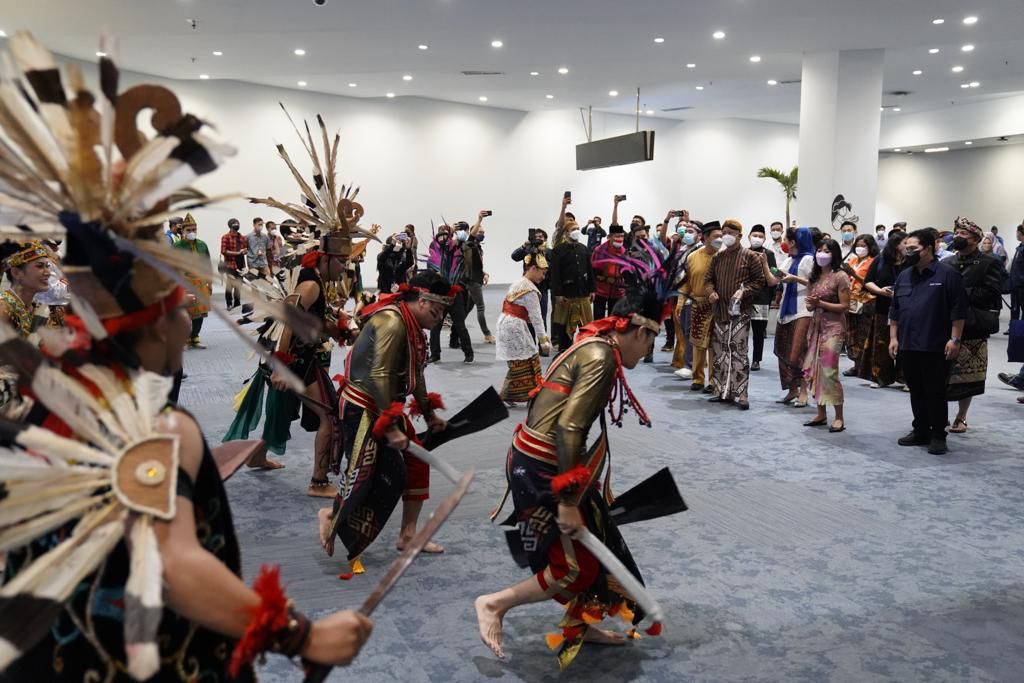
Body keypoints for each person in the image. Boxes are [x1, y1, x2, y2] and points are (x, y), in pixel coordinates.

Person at [0, 48, 373, 679]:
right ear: (153, 323)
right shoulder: (154, 428)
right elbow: (173, 564)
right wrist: (301, 635)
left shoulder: (51, 398)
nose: (189, 319)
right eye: (182, 306)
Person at [476, 288, 664, 669]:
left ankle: (583, 622)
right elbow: (570, 427)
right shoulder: (600, 356)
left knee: (598, 544)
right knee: (573, 568)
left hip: (547, 460)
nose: (647, 353)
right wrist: (566, 500)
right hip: (545, 467)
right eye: (652, 341)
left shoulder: (594, 344)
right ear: (640, 332)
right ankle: (494, 603)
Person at [321, 270, 455, 564]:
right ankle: (330, 515)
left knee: (418, 461)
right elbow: (379, 375)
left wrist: (429, 414)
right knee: (381, 474)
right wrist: (391, 426)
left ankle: (408, 535)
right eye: (439, 308)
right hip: (364, 406)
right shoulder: (393, 321)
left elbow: (416, 373)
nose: (441, 314)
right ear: (422, 300)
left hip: (385, 404)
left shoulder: (412, 325)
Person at [889, 229, 968, 455]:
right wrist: (893, 338)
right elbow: (895, 311)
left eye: (913, 249)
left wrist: (955, 339)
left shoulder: (947, 275)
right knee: (915, 389)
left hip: (935, 344)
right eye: (906, 249)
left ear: (929, 249)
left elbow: (958, 311)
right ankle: (920, 429)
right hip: (907, 343)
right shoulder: (904, 275)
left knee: (934, 391)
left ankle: (938, 435)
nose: (908, 252)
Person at [945, 218, 1004, 434]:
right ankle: (939, 413)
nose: (958, 236)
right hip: (944, 324)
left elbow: (991, 294)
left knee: (968, 375)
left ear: (976, 239)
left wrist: (959, 293)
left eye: (963, 234)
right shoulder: (946, 262)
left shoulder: (989, 262)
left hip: (973, 325)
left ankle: (961, 416)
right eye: (956, 233)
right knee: (941, 372)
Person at [705, 219, 765, 409]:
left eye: (731, 232)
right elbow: (708, 280)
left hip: (741, 313)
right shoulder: (718, 257)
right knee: (720, 352)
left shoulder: (750, 256)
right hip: (720, 311)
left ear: (740, 235)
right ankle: (722, 391)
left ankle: (742, 394)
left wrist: (744, 291)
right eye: (724, 232)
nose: (726, 236)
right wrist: (711, 292)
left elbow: (760, 282)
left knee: (738, 352)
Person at [802, 238, 851, 432]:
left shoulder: (840, 276)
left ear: (834, 254)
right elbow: (808, 304)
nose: (822, 254)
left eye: (827, 251)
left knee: (829, 371)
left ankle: (839, 417)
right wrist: (812, 303)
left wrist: (821, 304)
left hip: (834, 328)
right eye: (819, 250)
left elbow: (845, 306)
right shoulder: (813, 276)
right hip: (816, 327)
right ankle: (821, 413)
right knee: (814, 369)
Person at [496, 249, 551, 405]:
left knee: (519, 362)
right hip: (515, 326)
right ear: (533, 269)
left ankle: (513, 394)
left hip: (507, 323)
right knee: (527, 361)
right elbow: (536, 317)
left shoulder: (518, 282)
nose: (543, 276)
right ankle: (519, 394)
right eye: (542, 272)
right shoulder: (530, 290)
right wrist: (543, 340)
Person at [774, 227, 816, 405]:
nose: (784, 243)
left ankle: (804, 391)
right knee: (782, 349)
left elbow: (816, 283)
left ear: (794, 242)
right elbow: (776, 279)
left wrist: (795, 279)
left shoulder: (808, 259)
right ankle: (792, 389)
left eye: (787, 240)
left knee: (799, 352)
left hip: (802, 308)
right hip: (785, 307)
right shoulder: (788, 259)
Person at [860, 231, 907, 388]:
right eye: (905, 243)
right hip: (882, 307)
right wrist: (880, 291)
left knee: (905, 343)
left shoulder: (912, 261)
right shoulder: (880, 260)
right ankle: (880, 376)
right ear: (895, 244)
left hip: (907, 309)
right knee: (881, 342)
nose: (908, 246)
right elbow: (868, 282)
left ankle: (906, 378)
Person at [680, 221, 721, 391]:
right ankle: (697, 378)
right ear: (705, 238)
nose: (720, 239)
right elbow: (686, 282)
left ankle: (712, 381)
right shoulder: (692, 256)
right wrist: (681, 301)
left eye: (721, 236)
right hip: (697, 304)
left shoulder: (723, 256)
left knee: (713, 344)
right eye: (716, 236)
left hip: (716, 306)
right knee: (696, 342)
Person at [427, 222, 474, 363]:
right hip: (439, 297)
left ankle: (468, 353)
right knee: (435, 326)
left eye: (445, 237)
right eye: (440, 238)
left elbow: (465, 271)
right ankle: (435, 354)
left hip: (455, 295)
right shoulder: (433, 258)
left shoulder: (458, 254)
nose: (443, 240)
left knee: (460, 326)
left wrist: (460, 285)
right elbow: (429, 274)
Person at [549, 220, 595, 351]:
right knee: (564, 329)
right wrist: (558, 294)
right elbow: (555, 274)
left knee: (587, 327)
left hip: (583, 294)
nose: (577, 231)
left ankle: (586, 352)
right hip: (566, 296)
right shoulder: (558, 251)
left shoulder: (583, 248)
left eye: (578, 228)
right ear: (566, 233)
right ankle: (565, 351)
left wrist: (592, 289)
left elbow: (590, 271)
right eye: (573, 229)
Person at [173, 213, 213, 349]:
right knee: (184, 313)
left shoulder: (202, 245)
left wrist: (210, 282)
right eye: (188, 230)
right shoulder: (177, 246)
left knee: (200, 314)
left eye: (194, 230)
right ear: (183, 231)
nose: (192, 232)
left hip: (201, 283)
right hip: (183, 282)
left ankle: (195, 337)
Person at [841, 234, 879, 377]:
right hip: (850, 301)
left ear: (870, 247)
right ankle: (856, 365)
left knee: (864, 334)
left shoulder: (874, 262)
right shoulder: (852, 260)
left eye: (863, 246)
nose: (860, 248)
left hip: (866, 302)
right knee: (852, 334)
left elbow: (871, 282)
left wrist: (854, 274)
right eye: (858, 245)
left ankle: (865, 367)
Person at [671, 219, 703, 376]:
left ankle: (690, 365)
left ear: (700, 235)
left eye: (691, 232)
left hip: (693, 295)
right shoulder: (683, 248)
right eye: (686, 231)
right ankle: (688, 362)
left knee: (691, 331)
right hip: (681, 294)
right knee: (684, 329)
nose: (687, 234)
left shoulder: (700, 251)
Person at [747, 224, 779, 371]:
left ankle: (756, 359)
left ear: (765, 238)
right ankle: (742, 356)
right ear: (749, 236)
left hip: (761, 298)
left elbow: (772, 277)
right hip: (745, 297)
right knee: (741, 329)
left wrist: (771, 298)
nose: (757, 239)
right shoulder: (743, 252)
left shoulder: (769, 254)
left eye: (760, 236)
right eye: (755, 235)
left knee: (759, 332)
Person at [461, 212, 494, 343]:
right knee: (480, 307)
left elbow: (475, 265)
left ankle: (456, 328)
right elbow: (471, 237)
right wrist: (479, 219)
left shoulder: (477, 246)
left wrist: (484, 273)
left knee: (468, 307)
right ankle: (487, 334)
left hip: (477, 278)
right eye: (480, 231)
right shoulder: (468, 244)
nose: (482, 234)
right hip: (472, 281)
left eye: (483, 232)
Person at [512, 228, 552, 323]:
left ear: (545, 239)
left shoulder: (549, 251)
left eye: (540, 237)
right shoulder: (527, 249)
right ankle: (530, 337)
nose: (538, 238)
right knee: (528, 316)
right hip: (527, 287)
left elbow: (552, 267)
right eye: (536, 237)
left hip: (542, 287)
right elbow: (514, 257)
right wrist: (524, 246)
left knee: (541, 316)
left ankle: (542, 337)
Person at [591, 223, 627, 319]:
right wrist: (606, 279)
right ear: (609, 237)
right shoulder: (599, 251)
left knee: (614, 320)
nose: (620, 239)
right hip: (600, 291)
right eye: (617, 236)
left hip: (617, 292)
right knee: (599, 320)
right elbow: (594, 271)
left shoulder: (625, 252)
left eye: (622, 236)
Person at [220, 217, 247, 309]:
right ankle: (229, 303)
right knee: (230, 285)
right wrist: (237, 253)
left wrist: (245, 251)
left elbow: (245, 249)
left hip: (240, 264)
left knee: (238, 285)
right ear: (230, 226)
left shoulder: (242, 237)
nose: (237, 225)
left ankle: (237, 303)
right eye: (235, 224)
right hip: (230, 265)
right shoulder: (225, 237)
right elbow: (223, 251)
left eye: (238, 224)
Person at [1010, 224, 1024, 326]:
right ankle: (1014, 328)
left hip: (1022, 285)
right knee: (1014, 308)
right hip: (1015, 284)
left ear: (1020, 233)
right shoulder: (1020, 247)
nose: (1016, 234)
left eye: (1017, 232)